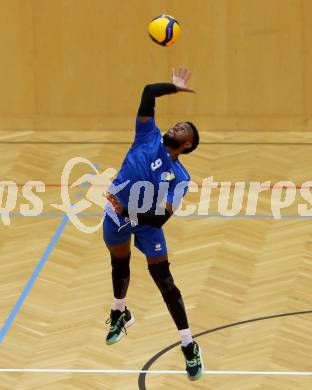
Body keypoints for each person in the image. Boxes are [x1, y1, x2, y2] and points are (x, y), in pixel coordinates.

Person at [103, 67, 203, 381]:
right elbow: (148, 91)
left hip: (144, 222)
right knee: (119, 265)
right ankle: (120, 312)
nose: (178, 125)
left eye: (184, 128)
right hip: (118, 214)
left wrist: (129, 211)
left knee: (164, 280)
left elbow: (161, 217)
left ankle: (189, 345)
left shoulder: (181, 179)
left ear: (186, 145)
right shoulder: (147, 135)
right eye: (179, 123)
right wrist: (172, 88)